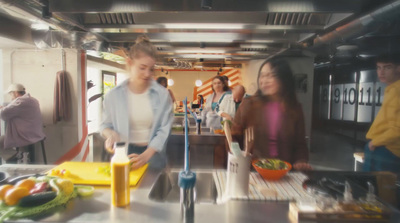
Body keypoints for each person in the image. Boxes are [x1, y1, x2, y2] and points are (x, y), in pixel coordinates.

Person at [100, 35, 174, 169]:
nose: (147, 74)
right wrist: (110, 135)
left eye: (151, 69)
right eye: (142, 68)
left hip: (153, 156)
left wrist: (146, 155)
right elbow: (105, 125)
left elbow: (164, 130)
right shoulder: (114, 95)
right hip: (123, 154)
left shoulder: (162, 95)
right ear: (130, 63)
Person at [232, 57, 311, 170]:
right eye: (262, 75)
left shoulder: (294, 108)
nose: (264, 80)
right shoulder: (249, 105)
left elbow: (300, 144)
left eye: (271, 75)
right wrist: (240, 157)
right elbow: (233, 138)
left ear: (284, 78)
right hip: (253, 171)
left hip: (284, 172)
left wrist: (301, 161)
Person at [363, 54, 400, 173]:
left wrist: (375, 142)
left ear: (398, 69)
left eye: (387, 67)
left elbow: (397, 129)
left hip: (386, 149)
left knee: (374, 188)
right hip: (385, 147)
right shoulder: (391, 89)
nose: (381, 72)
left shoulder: (396, 91)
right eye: (379, 67)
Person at [0, 83, 46, 161]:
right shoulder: (33, 100)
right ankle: (14, 156)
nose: (11, 97)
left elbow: (3, 114)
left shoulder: (20, 101)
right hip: (36, 133)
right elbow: (18, 110)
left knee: (1, 141)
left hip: (25, 135)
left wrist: (2, 108)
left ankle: (14, 156)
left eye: (11, 94)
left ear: (15, 93)